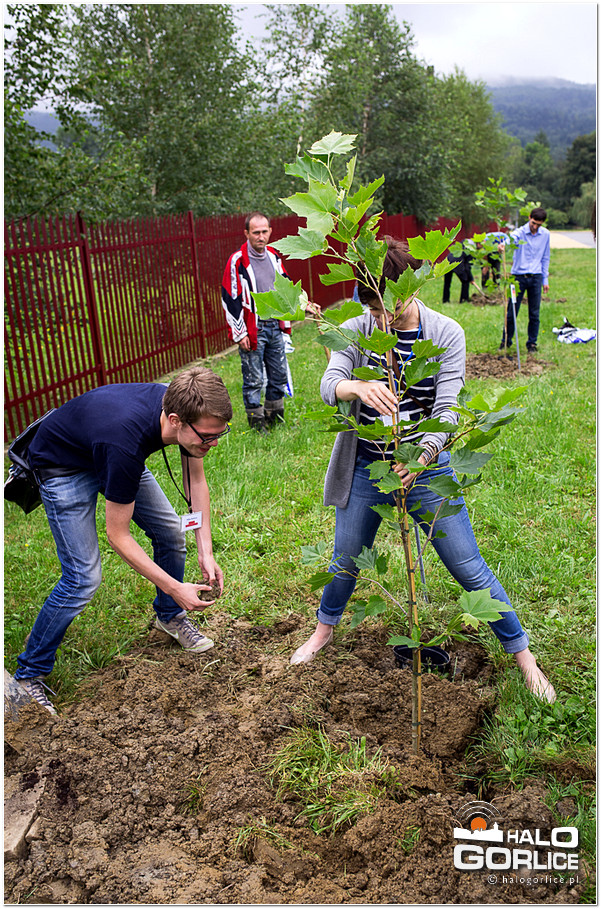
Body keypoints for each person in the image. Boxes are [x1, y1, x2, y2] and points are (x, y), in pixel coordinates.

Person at [290, 237, 555, 704]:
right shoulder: (354, 330)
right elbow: (329, 385)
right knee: (345, 560)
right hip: (366, 468)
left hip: (427, 470)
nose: (382, 320)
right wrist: (357, 386)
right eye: (373, 309)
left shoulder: (446, 333)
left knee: (468, 567)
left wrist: (421, 459)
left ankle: (524, 657)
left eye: (388, 307)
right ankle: (322, 631)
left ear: (411, 288)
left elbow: (447, 410)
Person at [14, 366, 233, 714]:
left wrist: (205, 551)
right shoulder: (124, 444)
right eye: (207, 437)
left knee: (170, 532)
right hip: (62, 465)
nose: (214, 443)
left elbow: (196, 482)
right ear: (175, 421)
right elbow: (118, 536)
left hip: (104, 448)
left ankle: (169, 617)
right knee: (82, 578)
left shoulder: (187, 405)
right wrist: (176, 587)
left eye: (219, 434)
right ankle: (28, 675)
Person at [221, 212, 292, 432]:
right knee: (254, 379)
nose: (261, 237)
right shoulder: (238, 261)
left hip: (275, 325)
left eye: (264, 231)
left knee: (278, 375)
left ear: (270, 231)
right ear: (246, 233)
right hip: (254, 328)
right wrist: (240, 332)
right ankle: (257, 425)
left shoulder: (274, 257)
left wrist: (303, 304)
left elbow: (287, 286)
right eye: (256, 232)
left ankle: (275, 419)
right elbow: (229, 297)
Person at [499, 207, 550, 353]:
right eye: (533, 223)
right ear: (529, 218)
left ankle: (532, 343)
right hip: (518, 278)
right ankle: (506, 341)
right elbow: (510, 239)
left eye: (539, 225)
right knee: (512, 312)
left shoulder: (545, 235)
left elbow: (545, 257)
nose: (535, 227)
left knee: (534, 313)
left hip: (536, 277)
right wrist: (503, 245)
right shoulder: (520, 232)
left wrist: (545, 279)